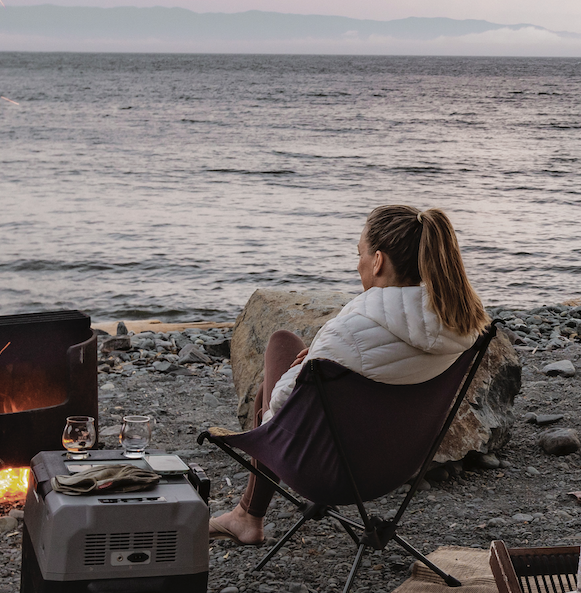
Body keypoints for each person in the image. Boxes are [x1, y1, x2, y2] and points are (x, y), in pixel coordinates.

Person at [209, 203, 487, 547]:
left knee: (282, 345)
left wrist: (306, 366)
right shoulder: (461, 323)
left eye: (360, 254)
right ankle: (245, 516)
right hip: (396, 466)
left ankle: (247, 516)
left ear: (378, 261)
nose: (357, 264)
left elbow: (280, 410)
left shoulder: (348, 331)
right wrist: (326, 357)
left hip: (327, 474)